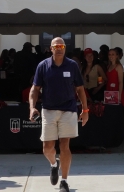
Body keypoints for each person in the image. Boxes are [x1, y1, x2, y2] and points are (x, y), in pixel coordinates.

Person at [29, 37, 88, 192]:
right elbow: (35, 89)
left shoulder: (72, 65)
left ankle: (64, 181)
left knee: (64, 146)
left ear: (65, 48)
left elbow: (80, 89)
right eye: (56, 46)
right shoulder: (43, 66)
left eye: (62, 45)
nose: (59, 48)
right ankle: (54, 164)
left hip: (68, 110)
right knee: (47, 148)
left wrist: (85, 110)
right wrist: (32, 108)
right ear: (51, 48)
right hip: (48, 110)